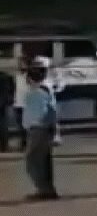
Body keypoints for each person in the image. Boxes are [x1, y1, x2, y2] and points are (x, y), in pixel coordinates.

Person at [22, 65, 58, 200]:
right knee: (44, 160)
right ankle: (48, 188)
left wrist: (34, 123)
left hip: (37, 128)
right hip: (44, 128)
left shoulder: (36, 93)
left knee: (34, 160)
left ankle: (43, 189)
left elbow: (40, 112)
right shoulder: (46, 90)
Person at [0, 67, 14, 153]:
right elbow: (12, 90)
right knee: (3, 124)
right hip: (4, 103)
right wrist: (10, 100)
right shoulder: (7, 77)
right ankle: (4, 146)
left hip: (3, 102)